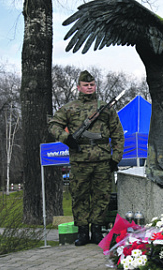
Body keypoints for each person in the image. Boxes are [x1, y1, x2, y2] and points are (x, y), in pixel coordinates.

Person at [49, 70, 124, 246]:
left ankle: (97, 230)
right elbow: (53, 125)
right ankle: (82, 232)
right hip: (79, 160)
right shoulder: (69, 108)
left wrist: (116, 157)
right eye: (85, 85)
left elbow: (118, 133)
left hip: (103, 160)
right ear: (79, 87)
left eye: (91, 85)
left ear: (95, 86)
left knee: (102, 196)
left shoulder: (105, 108)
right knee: (79, 196)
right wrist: (66, 139)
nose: (89, 88)